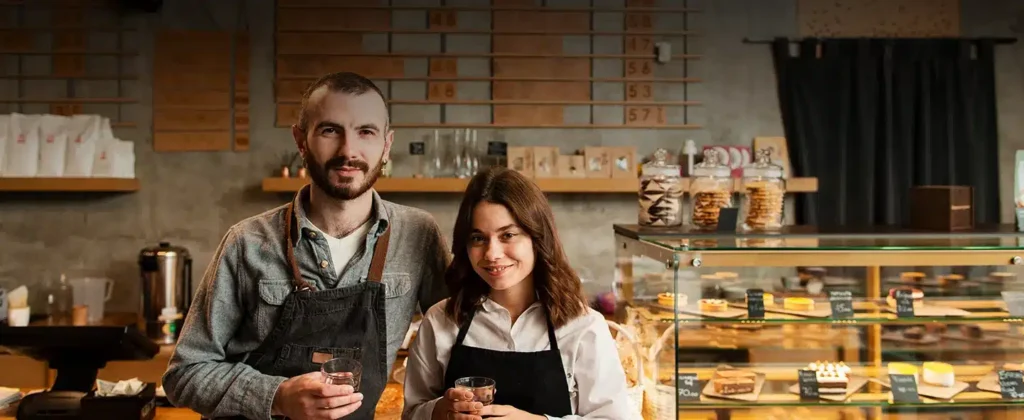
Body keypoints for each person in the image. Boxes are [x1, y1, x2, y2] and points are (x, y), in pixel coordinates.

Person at [163, 72, 450, 420]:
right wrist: (277, 396)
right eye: (330, 130)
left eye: (366, 132)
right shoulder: (247, 242)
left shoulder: (418, 235)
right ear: (301, 140)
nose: (348, 151)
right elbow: (184, 373)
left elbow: (454, 346)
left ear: (386, 145)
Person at [402, 167, 640, 420]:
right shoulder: (441, 320)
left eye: (508, 235)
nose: (492, 254)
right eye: (478, 238)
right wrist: (438, 411)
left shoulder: (584, 326)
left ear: (537, 238)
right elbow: (412, 413)